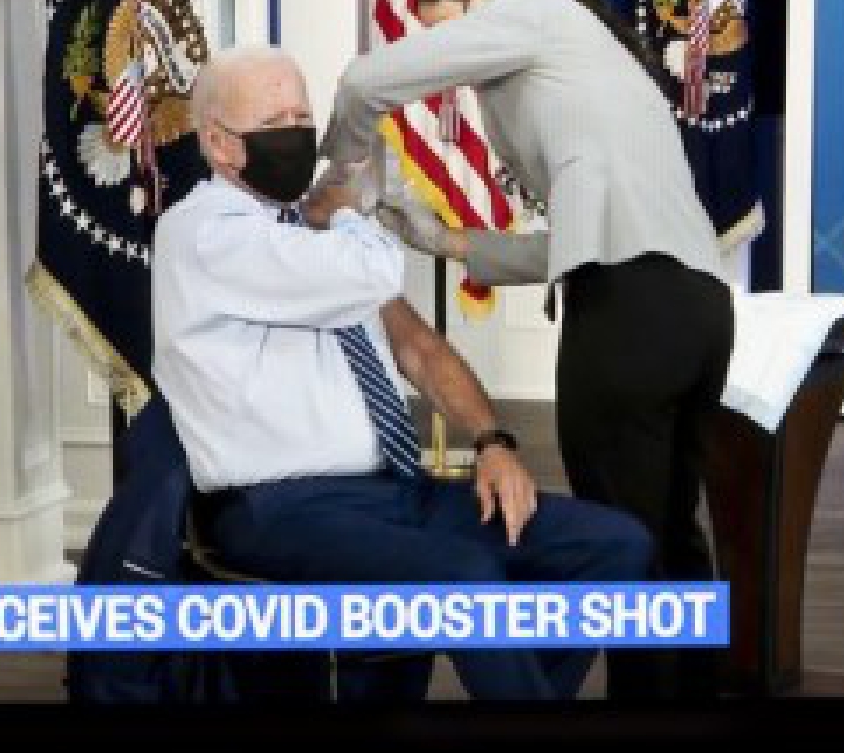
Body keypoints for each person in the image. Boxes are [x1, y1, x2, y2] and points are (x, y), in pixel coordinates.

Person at [150, 44, 652, 702]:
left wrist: (494, 443)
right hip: (276, 508)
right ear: (218, 142)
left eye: (305, 115)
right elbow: (374, 270)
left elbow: (418, 347)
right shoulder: (204, 233)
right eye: (277, 123)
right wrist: (349, 209)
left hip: (394, 491)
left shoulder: (311, 235)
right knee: (466, 578)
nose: (300, 134)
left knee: (615, 544)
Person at [319, 0, 735, 702]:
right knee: (675, 538)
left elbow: (364, 83)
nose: (454, 68)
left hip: (628, 315)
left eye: (449, 34)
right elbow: (573, 239)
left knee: (625, 544)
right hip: (698, 311)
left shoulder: (526, 7)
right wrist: (439, 237)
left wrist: (338, 178)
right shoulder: (585, 52)